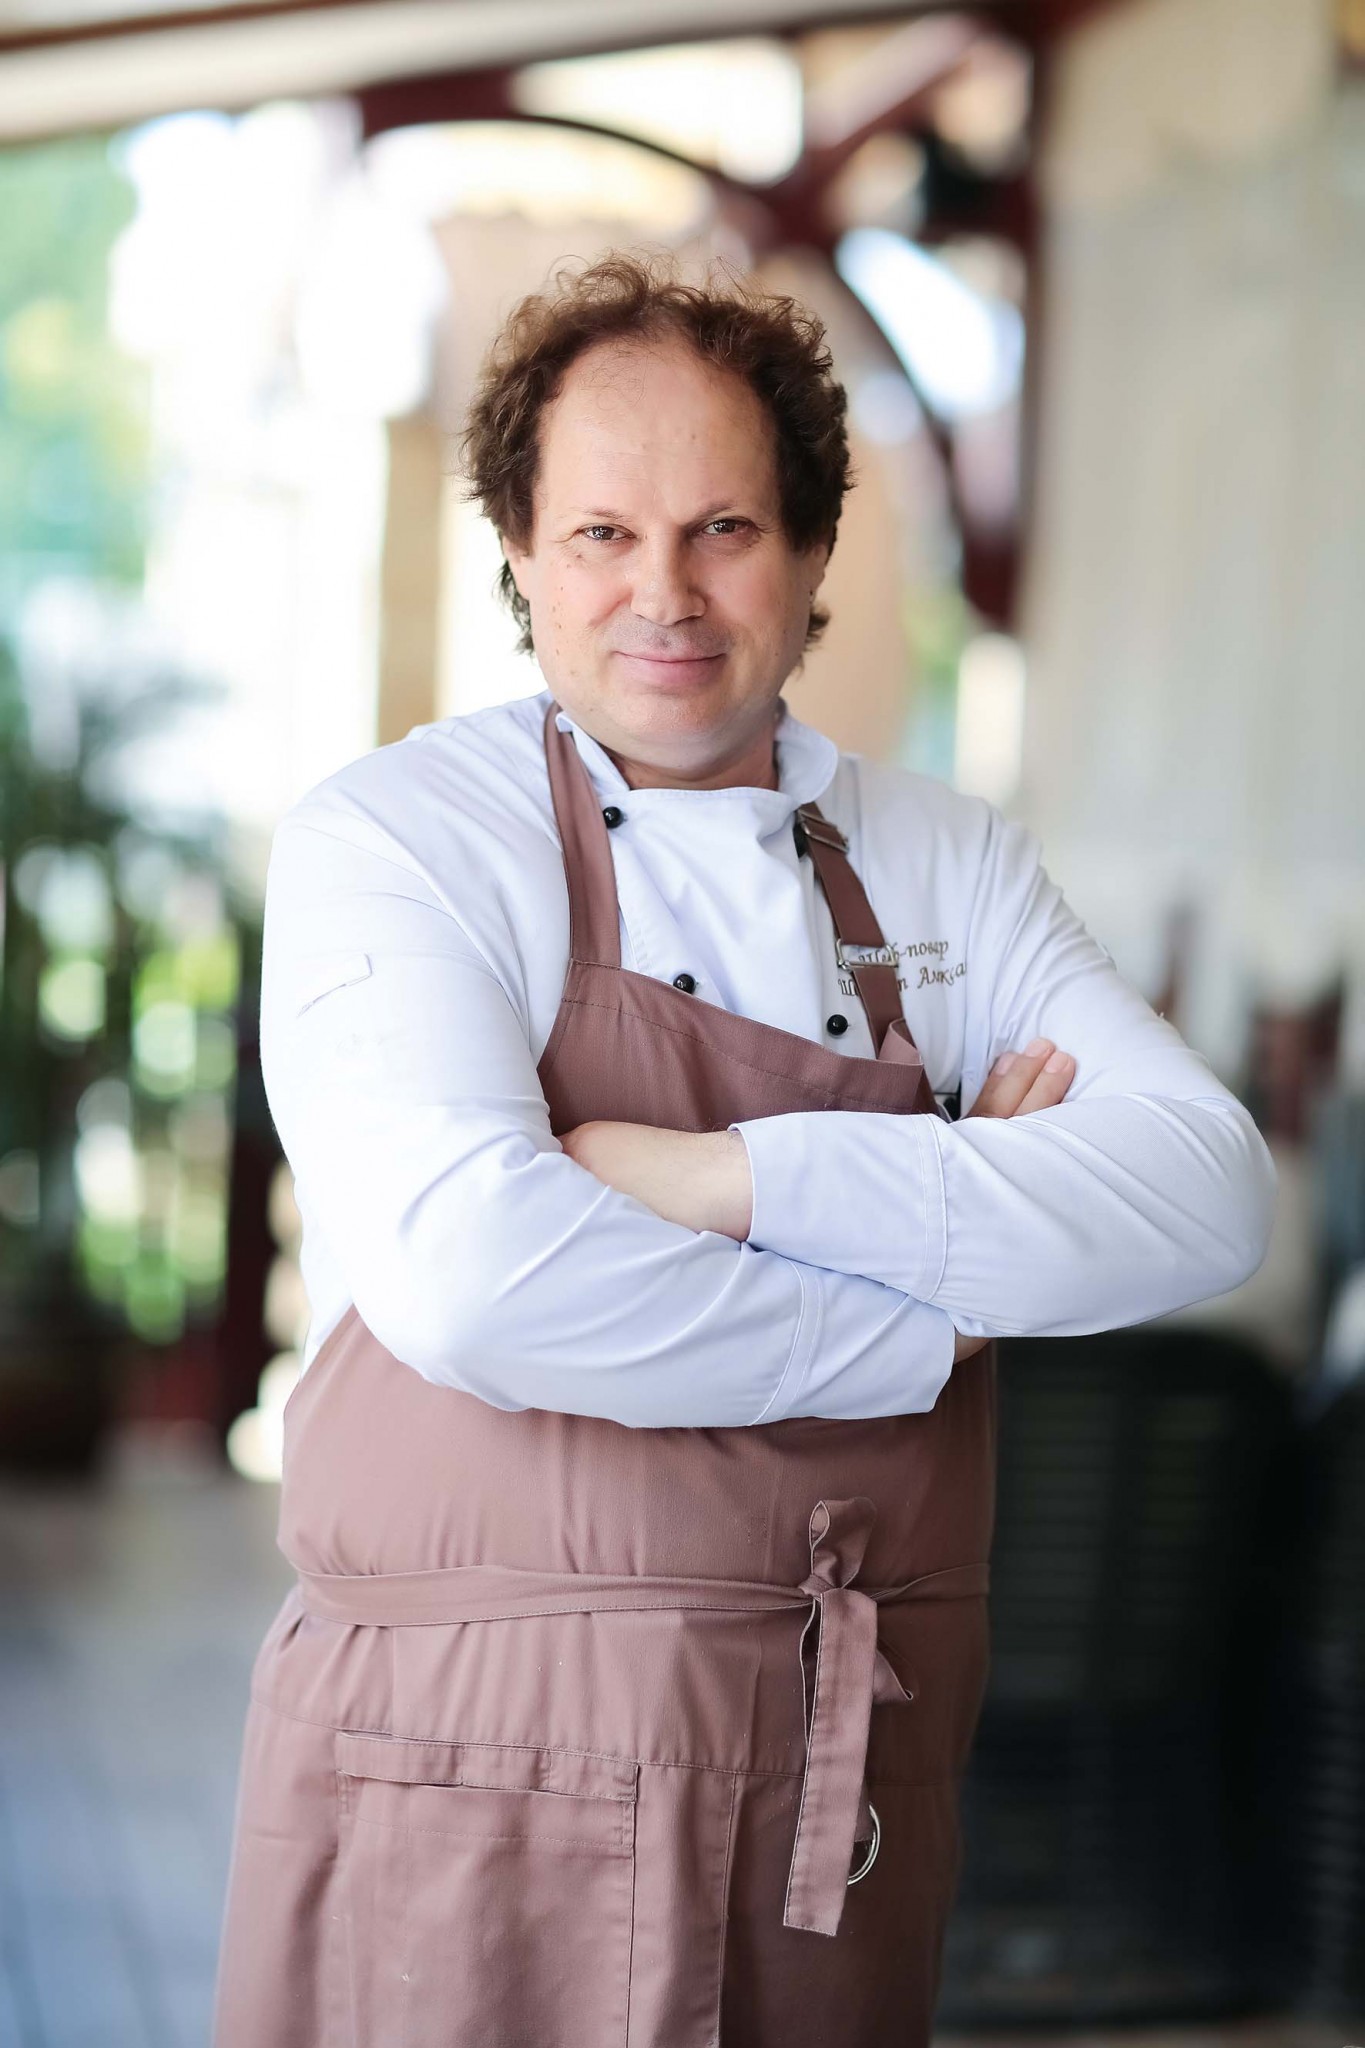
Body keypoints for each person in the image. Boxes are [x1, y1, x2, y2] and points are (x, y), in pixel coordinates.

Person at [212, 253, 1276, 2048]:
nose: (665, 594)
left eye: (723, 528)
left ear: (810, 552)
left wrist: (714, 1182)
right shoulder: (403, 838)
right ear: (519, 554)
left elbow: (1201, 1194)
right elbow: (479, 1281)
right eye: (600, 535)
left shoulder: (943, 861)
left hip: (844, 1786)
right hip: (467, 1769)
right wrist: (936, 1314)